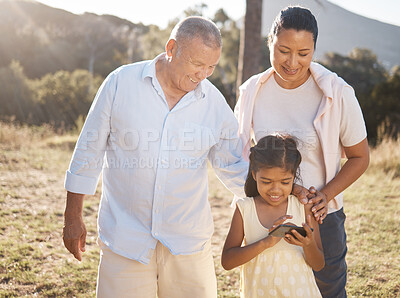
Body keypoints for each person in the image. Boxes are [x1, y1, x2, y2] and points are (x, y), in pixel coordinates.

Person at [62, 16, 250, 298]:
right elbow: (89, 149)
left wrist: (280, 193)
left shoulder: (213, 103)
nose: (203, 75)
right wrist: (73, 215)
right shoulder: (120, 83)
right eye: (197, 64)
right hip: (126, 241)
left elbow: (233, 164)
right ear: (171, 48)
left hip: (187, 244)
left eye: (211, 67)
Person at [234, 6, 370, 298]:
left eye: (303, 53)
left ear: (314, 50)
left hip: (322, 216)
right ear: (270, 42)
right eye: (284, 50)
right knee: (270, 288)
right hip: (267, 213)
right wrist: (282, 190)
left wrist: (325, 195)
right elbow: (242, 157)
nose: (293, 62)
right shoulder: (251, 93)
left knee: (329, 289)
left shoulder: (338, 92)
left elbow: (360, 157)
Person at [221, 134, 325, 297]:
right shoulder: (245, 209)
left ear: (293, 177)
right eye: (267, 182)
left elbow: (319, 264)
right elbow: (227, 261)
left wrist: (308, 244)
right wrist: (266, 242)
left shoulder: (303, 207)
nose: (275, 190)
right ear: (255, 175)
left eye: (285, 182)